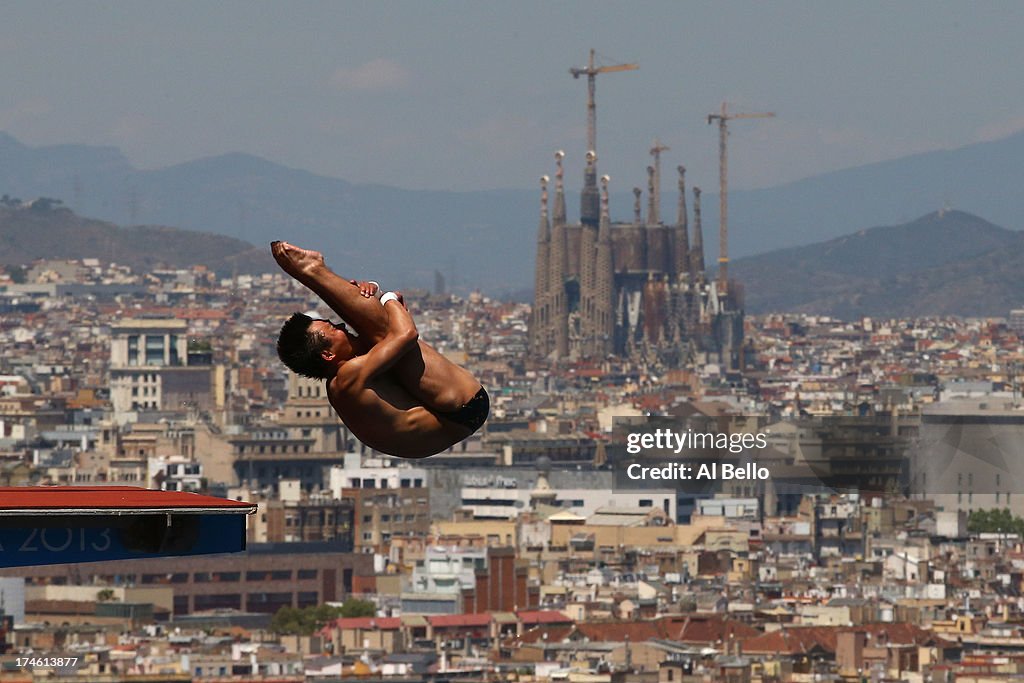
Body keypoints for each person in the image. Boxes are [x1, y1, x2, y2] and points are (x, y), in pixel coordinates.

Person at [271, 241, 488, 458]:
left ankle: (312, 272)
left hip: (443, 421)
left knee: (376, 332)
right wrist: (386, 298)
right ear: (328, 355)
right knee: (381, 332)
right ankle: (313, 271)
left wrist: (371, 293)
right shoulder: (348, 377)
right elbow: (406, 334)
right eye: (332, 329)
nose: (340, 326)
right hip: (463, 408)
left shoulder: (340, 384)